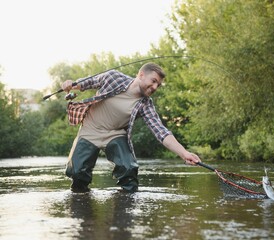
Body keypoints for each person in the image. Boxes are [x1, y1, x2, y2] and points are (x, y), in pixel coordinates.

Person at [62, 62, 201, 193]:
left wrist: (184, 153)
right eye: (153, 81)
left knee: (129, 170)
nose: (155, 87)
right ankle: (81, 203)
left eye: (158, 85)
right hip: (90, 129)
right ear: (141, 75)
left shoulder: (146, 104)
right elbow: (89, 82)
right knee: (77, 173)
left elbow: (161, 132)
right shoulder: (113, 77)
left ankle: (125, 207)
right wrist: (72, 84)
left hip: (115, 134)